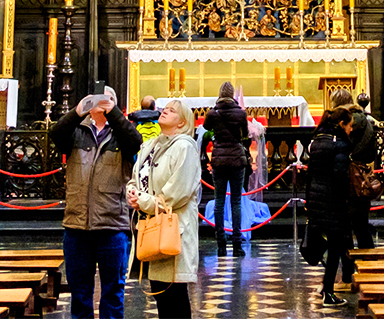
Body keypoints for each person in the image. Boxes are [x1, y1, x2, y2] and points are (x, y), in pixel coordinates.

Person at [51, 86, 142, 319]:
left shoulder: (121, 134)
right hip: (76, 225)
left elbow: (135, 142)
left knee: (112, 293)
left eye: (107, 100)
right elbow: (55, 134)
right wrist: (77, 111)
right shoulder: (76, 132)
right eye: (96, 100)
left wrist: (114, 114)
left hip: (112, 225)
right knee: (80, 295)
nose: (100, 104)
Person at [128, 98, 200, 318]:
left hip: (173, 229)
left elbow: (177, 193)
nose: (165, 112)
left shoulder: (185, 147)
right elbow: (135, 176)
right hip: (150, 227)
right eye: (165, 108)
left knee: (174, 295)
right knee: (161, 295)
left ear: (183, 122)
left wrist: (144, 202)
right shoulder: (151, 144)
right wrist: (132, 192)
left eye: (172, 111)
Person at [307, 89, 357, 306]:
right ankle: (328, 291)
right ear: (342, 124)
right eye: (349, 125)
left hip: (317, 199)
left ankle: (326, 287)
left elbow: (310, 173)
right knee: (337, 244)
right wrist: (346, 196)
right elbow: (339, 175)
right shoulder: (341, 144)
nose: (351, 128)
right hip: (333, 201)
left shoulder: (317, 140)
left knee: (333, 244)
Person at [203, 82, 251, 256]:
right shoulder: (240, 113)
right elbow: (245, 135)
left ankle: (221, 243)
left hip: (219, 160)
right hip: (237, 160)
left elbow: (206, 128)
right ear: (232, 96)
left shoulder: (212, 114)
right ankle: (237, 244)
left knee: (219, 202)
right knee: (236, 202)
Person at [349, 92, 379, 249]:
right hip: (363, 180)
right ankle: (368, 261)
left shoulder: (347, 127)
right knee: (362, 226)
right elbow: (372, 155)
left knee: (346, 230)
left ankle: (347, 268)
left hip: (348, 181)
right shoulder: (368, 124)